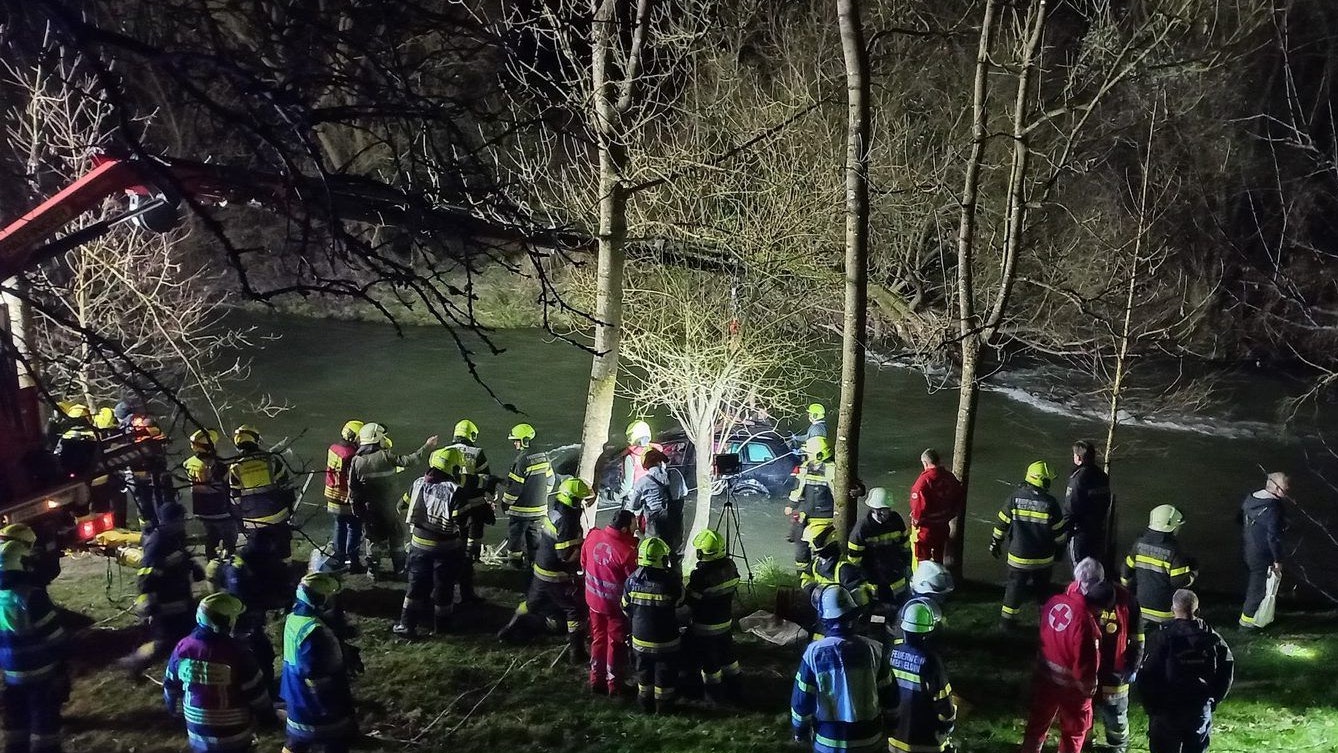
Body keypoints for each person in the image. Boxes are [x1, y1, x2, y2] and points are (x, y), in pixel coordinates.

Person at [163, 592, 274, 753]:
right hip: (234, 737)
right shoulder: (238, 653)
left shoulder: (183, 648)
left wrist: (177, 713)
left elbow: (170, 686)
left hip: (197, 735)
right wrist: (269, 718)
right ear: (227, 622)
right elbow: (257, 694)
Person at [498, 477, 593, 662]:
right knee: (575, 609)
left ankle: (507, 631)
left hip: (541, 569)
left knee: (531, 603)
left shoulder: (556, 508)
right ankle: (577, 652)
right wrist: (584, 551)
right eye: (580, 500)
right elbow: (564, 555)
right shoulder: (568, 520)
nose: (582, 503)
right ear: (573, 499)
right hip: (555, 575)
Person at [790, 586, 890, 753]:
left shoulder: (813, 653)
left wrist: (800, 731)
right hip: (870, 738)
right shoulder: (875, 649)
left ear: (823, 617)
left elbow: (802, 700)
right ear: (853, 614)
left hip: (828, 742)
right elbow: (890, 694)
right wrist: (892, 724)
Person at [1020, 558, 1105, 753]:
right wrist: (1089, 690)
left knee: (1037, 725)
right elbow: (1085, 662)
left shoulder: (1053, 602)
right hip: (1072, 687)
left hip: (1045, 677)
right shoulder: (1085, 621)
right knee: (1074, 732)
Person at [1138, 589, 1234, 753]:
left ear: (1172, 609)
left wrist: (1151, 706)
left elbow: (1147, 674)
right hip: (1199, 707)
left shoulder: (1162, 637)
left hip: (1167, 709)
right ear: (1197, 610)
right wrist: (1213, 700)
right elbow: (1226, 673)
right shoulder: (1212, 638)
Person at [0, 525, 68, 753]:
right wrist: (62, 667)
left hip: (11, 676)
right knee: (44, 727)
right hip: (41, 673)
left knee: (15, 725)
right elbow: (56, 637)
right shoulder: (31, 596)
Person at [393, 448, 470, 639]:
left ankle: (406, 625)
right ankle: (442, 628)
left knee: (415, 587)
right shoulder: (456, 492)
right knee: (444, 589)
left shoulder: (418, 483)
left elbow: (400, 506)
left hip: (418, 545)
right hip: (446, 549)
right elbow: (463, 523)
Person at [280, 573, 362, 753]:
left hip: (295, 694)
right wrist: (333, 704)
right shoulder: (314, 632)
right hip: (316, 703)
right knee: (333, 742)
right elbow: (316, 673)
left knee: (296, 740)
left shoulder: (294, 618)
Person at [121, 501, 204, 678]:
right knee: (164, 643)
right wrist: (149, 605)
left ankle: (186, 673)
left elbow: (180, 556)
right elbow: (146, 577)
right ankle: (135, 662)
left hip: (181, 596)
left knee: (191, 634)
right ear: (170, 521)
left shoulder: (175, 536)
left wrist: (193, 567)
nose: (184, 523)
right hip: (165, 602)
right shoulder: (157, 543)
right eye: (181, 520)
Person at [348, 423, 437, 581]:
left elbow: (353, 490)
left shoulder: (356, 461)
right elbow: (410, 461)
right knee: (396, 538)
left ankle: (373, 571)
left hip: (370, 509)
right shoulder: (385, 455)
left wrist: (358, 511)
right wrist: (427, 446)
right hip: (389, 507)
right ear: (377, 439)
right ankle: (400, 569)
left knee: (372, 540)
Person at [990, 461, 1067, 629]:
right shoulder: (1051, 503)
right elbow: (1060, 533)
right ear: (1041, 480)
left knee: (1013, 591)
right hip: (1043, 560)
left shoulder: (1014, 498)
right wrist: (1060, 551)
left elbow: (1001, 524)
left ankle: (1007, 623)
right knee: (1043, 593)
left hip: (1018, 558)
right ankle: (1048, 624)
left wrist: (995, 543)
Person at [227, 425, 296, 599]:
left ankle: (263, 587)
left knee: (259, 554)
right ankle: (287, 584)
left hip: (253, 521)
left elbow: (234, 499)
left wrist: (239, 522)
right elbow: (286, 488)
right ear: (256, 439)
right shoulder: (271, 460)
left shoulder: (235, 467)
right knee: (283, 550)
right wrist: (289, 508)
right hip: (277, 515)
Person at [883, 599, 956, 753]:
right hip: (924, 742)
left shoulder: (892, 653)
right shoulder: (930, 660)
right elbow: (944, 705)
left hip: (894, 738)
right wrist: (948, 724)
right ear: (928, 631)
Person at [581, 509, 639, 696]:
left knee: (598, 638)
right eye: (633, 525)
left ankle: (596, 679)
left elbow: (583, 562)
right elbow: (634, 581)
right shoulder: (626, 553)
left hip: (593, 600)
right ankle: (614, 684)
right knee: (615, 643)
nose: (636, 528)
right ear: (624, 529)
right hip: (614, 607)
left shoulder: (593, 535)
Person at [622, 536, 683, 714]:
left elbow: (625, 607)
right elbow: (681, 602)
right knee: (664, 677)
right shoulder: (670, 582)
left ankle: (644, 705)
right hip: (666, 642)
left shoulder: (631, 581)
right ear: (663, 559)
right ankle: (664, 709)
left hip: (640, 641)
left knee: (643, 676)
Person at [1086, 570, 1142, 753]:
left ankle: (1117, 747)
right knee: (1085, 712)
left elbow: (1137, 639)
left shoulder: (1129, 602)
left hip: (1115, 671)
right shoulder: (1086, 596)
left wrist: (1132, 667)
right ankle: (1084, 744)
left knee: (1115, 715)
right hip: (1087, 668)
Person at [685, 528, 742, 704]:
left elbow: (692, 600)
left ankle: (713, 696)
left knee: (710, 664)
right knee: (728, 657)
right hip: (725, 623)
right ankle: (736, 688)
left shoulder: (701, 575)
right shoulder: (730, 566)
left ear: (703, 552)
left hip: (705, 626)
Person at [442, 419, 495, 601]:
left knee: (459, 533)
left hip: (453, 501)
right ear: (472, 435)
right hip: (475, 500)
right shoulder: (477, 452)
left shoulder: (445, 452)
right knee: (476, 530)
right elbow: (486, 477)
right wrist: (490, 495)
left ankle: (461, 557)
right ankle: (473, 557)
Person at [1121, 505, 1197, 627]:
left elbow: (1126, 571)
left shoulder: (1139, 544)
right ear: (1172, 526)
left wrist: (1127, 591)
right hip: (1165, 613)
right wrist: (1193, 573)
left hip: (1140, 607)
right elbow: (1179, 582)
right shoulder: (1174, 550)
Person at [222, 543, 278, 697]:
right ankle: (264, 690)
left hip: (246, 621)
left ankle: (265, 685)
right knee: (260, 655)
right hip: (243, 624)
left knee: (263, 653)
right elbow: (244, 601)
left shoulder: (237, 567)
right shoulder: (238, 574)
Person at [845, 487, 911, 612]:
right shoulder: (862, 528)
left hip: (895, 575)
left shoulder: (896, 521)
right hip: (873, 578)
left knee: (899, 608)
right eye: (878, 511)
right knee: (876, 611)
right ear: (872, 509)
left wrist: (906, 565)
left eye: (885, 511)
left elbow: (905, 546)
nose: (882, 515)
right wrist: (861, 579)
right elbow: (854, 559)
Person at [1238, 472, 1287, 629]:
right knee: (1258, 588)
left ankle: (1251, 618)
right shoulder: (1274, 508)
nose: (1288, 488)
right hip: (1262, 554)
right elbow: (1274, 537)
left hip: (1249, 548)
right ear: (1276, 487)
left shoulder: (1251, 498)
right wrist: (1278, 560)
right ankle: (1247, 624)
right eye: (1286, 486)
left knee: (1254, 584)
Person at [502, 423, 553, 571]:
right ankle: (535, 566)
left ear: (525, 440)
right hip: (540, 510)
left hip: (520, 512)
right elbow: (551, 480)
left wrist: (505, 503)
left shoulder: (521, 461)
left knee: (515, 540)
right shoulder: (544, 456)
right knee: (535, 539)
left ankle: (514, 565)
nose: (515, 443)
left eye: (516, 440)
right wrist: (543, 494)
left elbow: (514, 489)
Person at [182, 429, 236, 561]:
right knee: (230, 536)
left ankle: (211, 562)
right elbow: (228, 484)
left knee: (211, 538)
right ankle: (229, 560)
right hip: (220, 510)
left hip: (202, 510)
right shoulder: (219, 466)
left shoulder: (188, 463)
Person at [788, 436, 836, 574]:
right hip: (807, 515)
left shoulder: (832, 470)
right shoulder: (804, 468)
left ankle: (822, 573)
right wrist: (791, 504)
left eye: (809, 453)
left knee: (821, 547)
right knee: (799, 545)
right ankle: (803, 575)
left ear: (819, 454)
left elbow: (838, 494)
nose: (806, 455)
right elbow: (798, 488)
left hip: (825, 518)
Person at [908, 449, 965, 565]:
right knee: (939, 558)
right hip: (943, 526)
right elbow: (959, 499)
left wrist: (915, 522)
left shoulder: (923, 482)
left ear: (925, 463)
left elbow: (918, 508)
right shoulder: (950, 477)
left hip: (926, 530)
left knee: (921, 560)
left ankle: (921, 581)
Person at [626, 448, 684, 558]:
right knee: (676, 556)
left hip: (655, 528)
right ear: (661, 462)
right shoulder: (676, 474)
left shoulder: (642, 482)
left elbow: (633, 506)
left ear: (646, 466)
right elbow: (684, 493)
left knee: (654, 556)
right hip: (675, 525)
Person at [802, 523, 871, 612]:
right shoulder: (816, 563)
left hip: (841, 616)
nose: (809, 546)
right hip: (822, 610)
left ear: (824, 542)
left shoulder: (844, 569)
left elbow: (861, 600)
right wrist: (813, 590)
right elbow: (805, 578)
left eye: (812, 543)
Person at [324, 420, 364, 572]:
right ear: (353, 437)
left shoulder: (333, 448)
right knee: (354, 528)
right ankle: (354, 561)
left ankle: (338, 557)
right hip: (346, 498)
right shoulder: (352, 455)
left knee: (339, 525)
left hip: (332, 494)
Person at [1066, 441, 1113, 567]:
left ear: (1079, 458)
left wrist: (1065, 531)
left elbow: (1071, 506)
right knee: (1094, 568)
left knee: (1079, 569)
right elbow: (1106, 500)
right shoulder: (1102, 475)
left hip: (1080, 531)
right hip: (1098, 529)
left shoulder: (1078, 477)